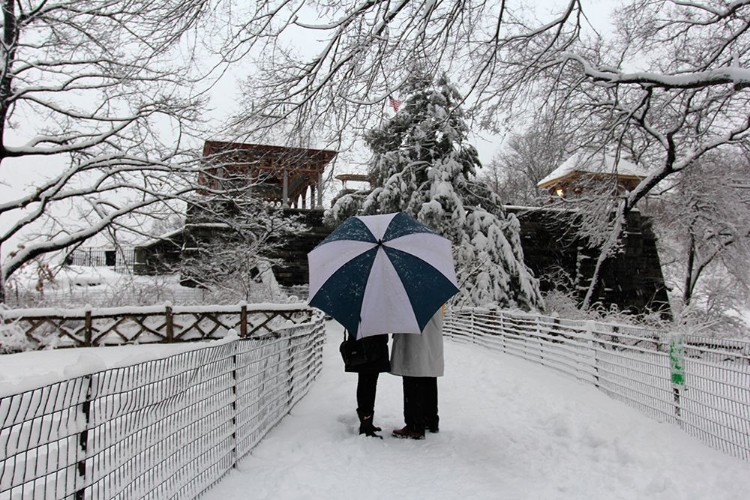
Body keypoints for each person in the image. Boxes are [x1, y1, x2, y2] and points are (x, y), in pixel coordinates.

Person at [389, 306, 445, 440]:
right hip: (430, 341)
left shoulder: (409, 299)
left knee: (413, 381)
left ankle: (415, 426)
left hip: (415, 342)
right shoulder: (432, 294)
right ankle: (430, 420)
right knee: (428, 380)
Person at [343, 332, 390, 438]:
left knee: (369, 383)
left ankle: (367, 421)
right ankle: (365, 424)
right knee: (367, 384)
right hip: (368, 347)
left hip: (368, 346)